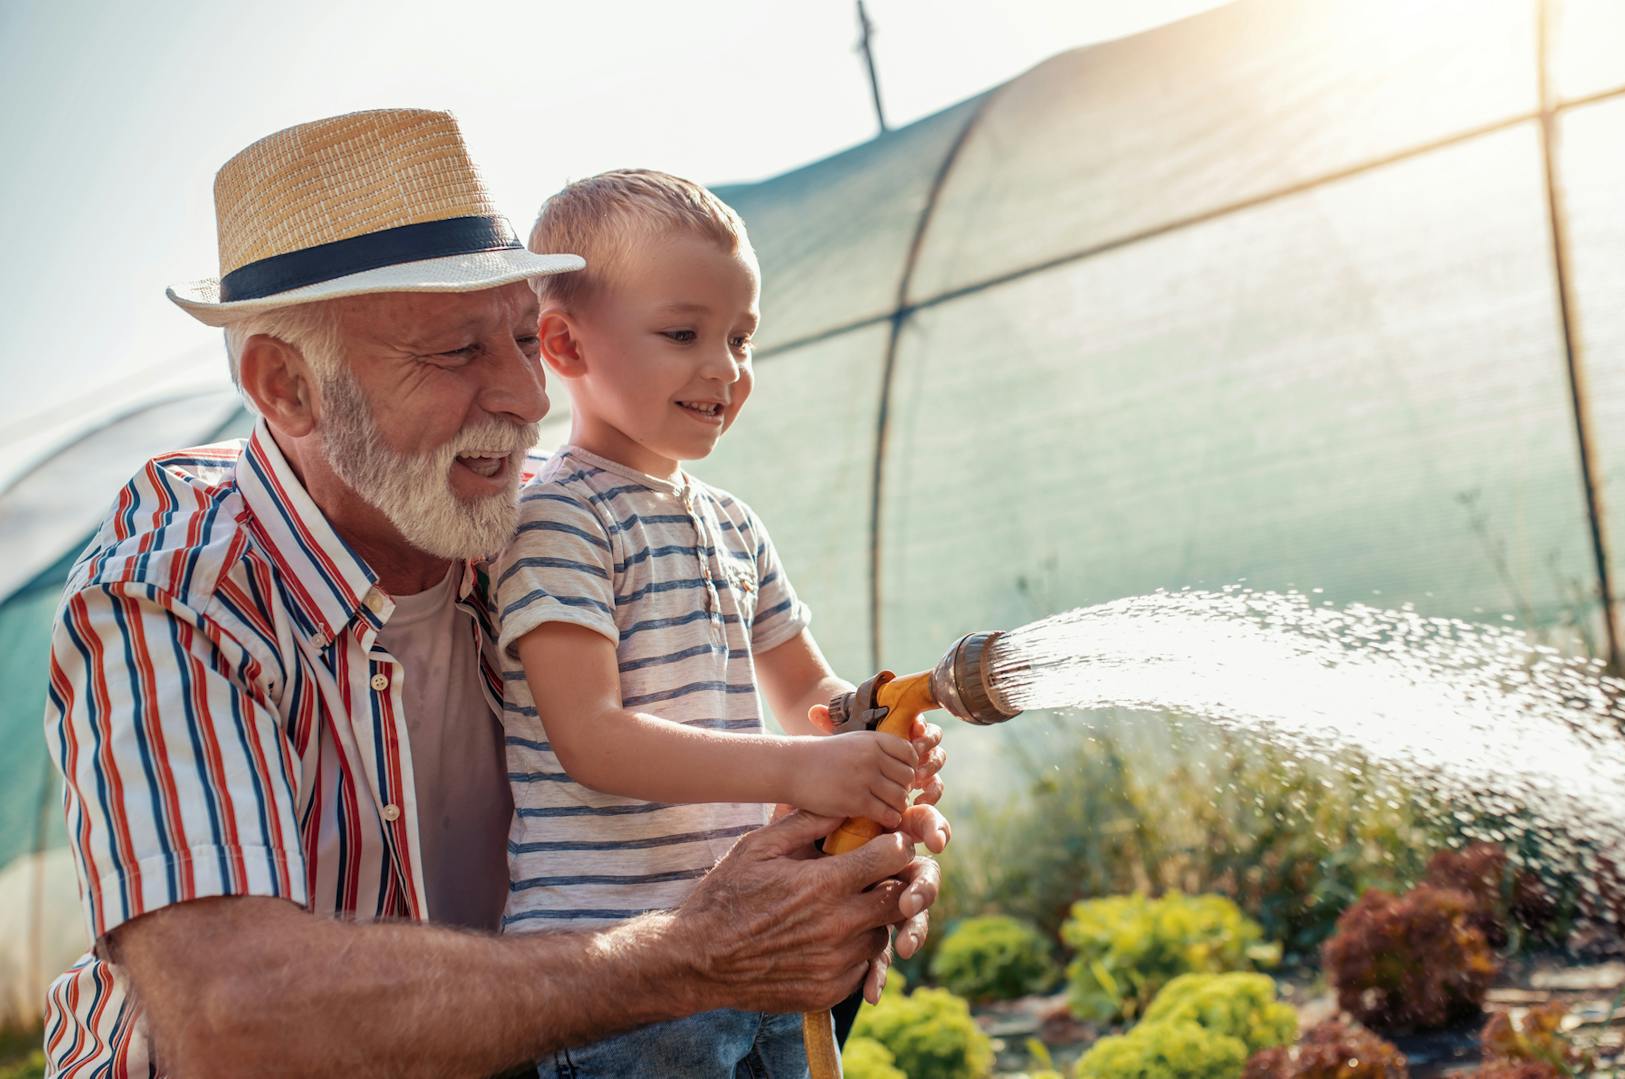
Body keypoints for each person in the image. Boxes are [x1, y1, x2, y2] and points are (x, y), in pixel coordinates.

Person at [40, 108, 950, 1078]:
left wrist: (853, 846)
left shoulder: (532, 519)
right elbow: (241, 1019)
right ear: (289, 386)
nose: (526, 395)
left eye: (522, 338)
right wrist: (692, 951)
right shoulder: (177, 594)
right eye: (457, 351)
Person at [488, 169, 903, 1077]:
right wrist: (810, 766)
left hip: (761, 944)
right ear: (564, 344)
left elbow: (806, 696)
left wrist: (872, 727)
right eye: (683, 334)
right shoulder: (560, 518)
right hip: (620, 981)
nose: (725, 368)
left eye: (742, 338)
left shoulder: (735, 524)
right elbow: (592, 738)